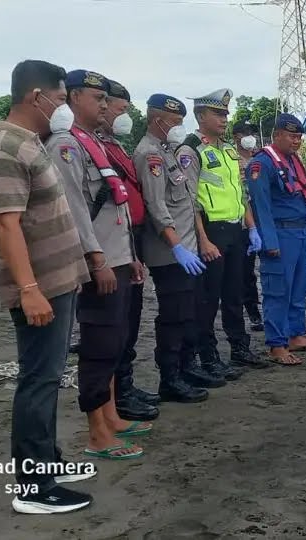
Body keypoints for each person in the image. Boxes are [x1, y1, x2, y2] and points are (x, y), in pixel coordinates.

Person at [0, 60, 95, 514]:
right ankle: (33, 488)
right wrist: (28, 289)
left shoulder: (30, 143)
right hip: (38, 287)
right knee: (39, 380)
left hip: (57, 282)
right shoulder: (3, 148)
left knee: (48, 376)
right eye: (61, 100)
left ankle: (48, 462)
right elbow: (6, 227)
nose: (63, 108)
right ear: (35, 97)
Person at [47, 69, 147, 462]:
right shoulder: (66, 146)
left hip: (118, 258)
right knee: (98, 346)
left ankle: (111, 416)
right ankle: (97, 434)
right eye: (97, 99)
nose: (105, 106)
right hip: (99, 263)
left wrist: (131, 257)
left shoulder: (94, 144)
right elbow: (74, 210)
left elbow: (117, 204)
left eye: (107, 100)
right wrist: (97, 260)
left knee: (114, 342)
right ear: (73, 98)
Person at [181, 88, 266, 383]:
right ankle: (208, 357)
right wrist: (202, 239)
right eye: (218, 114)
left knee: (235, 294)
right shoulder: (192, 149)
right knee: (207, 299)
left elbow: (239, 193)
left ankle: (239, 348)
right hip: (211, 231)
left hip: (236, 229)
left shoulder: (228, 149)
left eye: (226, 114)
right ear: (201, 115)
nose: (224, 119)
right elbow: (189, 200)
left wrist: (252, 227)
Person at [133, 93, 210, 404]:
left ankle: (184, 369)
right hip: (170, 252)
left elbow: (185, 200)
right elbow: (156, 205)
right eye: (176, 122)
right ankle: (170, 378)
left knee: (188, 312)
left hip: (186, 248)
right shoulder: (149, 154)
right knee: (173, 316)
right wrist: (177, 246)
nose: (180, 127)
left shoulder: (167, 151)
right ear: (158, 120)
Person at [245, 114, 306, 365]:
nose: (297, 142)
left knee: (300, 287)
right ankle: (277, 344)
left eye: (299, 137)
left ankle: (296, 334)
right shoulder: (262, 164)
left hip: (300, 232)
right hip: (280, 234)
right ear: (277, 135)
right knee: (278, 290)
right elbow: (261, 207)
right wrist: (269, 242)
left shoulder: (292, 161)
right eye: (292, 136)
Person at [96, 79, 157, 422]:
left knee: (130, 320)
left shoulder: (114, 145)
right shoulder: (91, 145)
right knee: (114, 325)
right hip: (111, 244)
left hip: (130, 239)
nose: (120, 115)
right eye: (119, 109)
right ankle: (116, 396)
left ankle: (126, 386)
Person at [230, 121, 264, 332]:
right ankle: (252, 311)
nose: (249, 137)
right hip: (243, 219)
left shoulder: (259, 157)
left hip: (262, 216)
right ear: (236, 137)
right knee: (246, 271)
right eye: (245, 133)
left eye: (251, 133)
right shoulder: (232, 158)